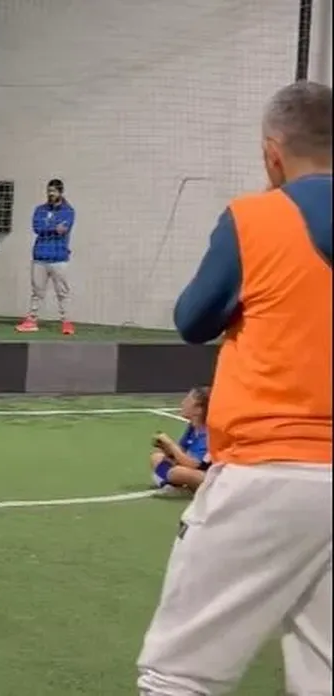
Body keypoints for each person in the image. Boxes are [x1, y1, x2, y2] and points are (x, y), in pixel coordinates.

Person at [137, 81, 332, 695]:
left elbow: (193, 320)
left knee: (178, 677)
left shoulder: (255, 218)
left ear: (273, 152)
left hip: (269, 471)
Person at [16, 179, 75, 335]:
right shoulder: (40, 210)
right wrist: (54, 228)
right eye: (49, 191)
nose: (50, 194)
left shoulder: (68, 211)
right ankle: (31, 321)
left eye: (53, 191)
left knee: (62, 292)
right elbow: (37, 228)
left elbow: (63, 229)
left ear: (60, 192)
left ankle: (67, 322)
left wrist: (48, 228)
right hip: (40, 256)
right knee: (37, 292)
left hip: (59, 258)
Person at [149, 387, 211, 496]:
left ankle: (168, 483)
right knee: (157, 457)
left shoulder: (208, 433)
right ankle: (172, 484)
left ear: (198, 409)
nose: (182, 403)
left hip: (208, 475)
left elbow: (194, 465)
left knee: (178, 472)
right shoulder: (192, 427)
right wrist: (166, 449)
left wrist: (170, 444)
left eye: (187, 401)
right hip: (192, 468)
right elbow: (181, 452)